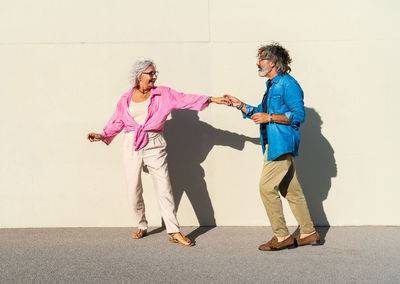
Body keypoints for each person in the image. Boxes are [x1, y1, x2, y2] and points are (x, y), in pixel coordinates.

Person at [87, 58, 228, 246]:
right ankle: (141, 224)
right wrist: (102, 135)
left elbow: (185, 98)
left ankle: (174, 231)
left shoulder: (164, 94)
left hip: (154, 143)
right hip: (131, 143)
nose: (154, 76)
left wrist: (213, 99)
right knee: (133, 189)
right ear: (139, 76)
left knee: (164, 188)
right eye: (150, 73)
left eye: (155, 73)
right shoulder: (125, 98)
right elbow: (117, 121)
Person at [224, 43, 320, 251]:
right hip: (273, 144)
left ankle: (281, 236)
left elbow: (299, 116)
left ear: (274, 62)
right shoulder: (272, 86)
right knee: (291, 191)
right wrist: (240, 105)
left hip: (281, 144)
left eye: (261, 59)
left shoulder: (288, 84)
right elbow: (261, 111)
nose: (257, 63)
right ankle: (308, 232)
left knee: (266, 188)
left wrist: (270, 117)